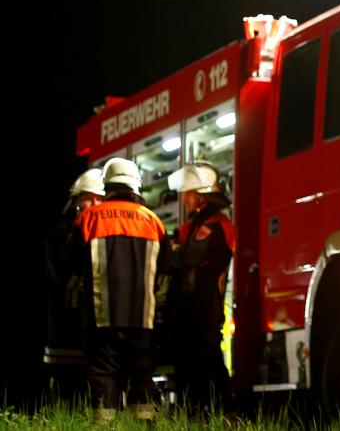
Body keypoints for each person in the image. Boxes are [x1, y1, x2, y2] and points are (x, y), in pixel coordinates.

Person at [72, 158, 171, 422]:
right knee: (142, 374)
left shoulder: (89, 218)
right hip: (143, 318)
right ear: (135, 186)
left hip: (101, 315)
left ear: (108, 186)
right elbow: (167, 267)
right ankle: (144, 425)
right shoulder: (153, 221)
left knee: (103, 374)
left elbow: (69, 263)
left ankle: (104, 426)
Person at [165, 161, 235, 413]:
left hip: (204, 308)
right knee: (189, 365)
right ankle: (193, 415)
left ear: (202, 197)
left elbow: (188, 258)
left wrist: (172, 251)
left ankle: (226, 413)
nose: (184, 199)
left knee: (210, 361)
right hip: (191, 309)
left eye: (188, 194)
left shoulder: (215, 225)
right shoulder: (197, 225)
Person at [44, 168, 104, 400]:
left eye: (100, 198)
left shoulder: (99, 232)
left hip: (91, 326)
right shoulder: (61, 234)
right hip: (65, 325)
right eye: (91, 198)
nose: (96, 204)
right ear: (78, 201)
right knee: (65, 387)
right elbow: (60, 279)